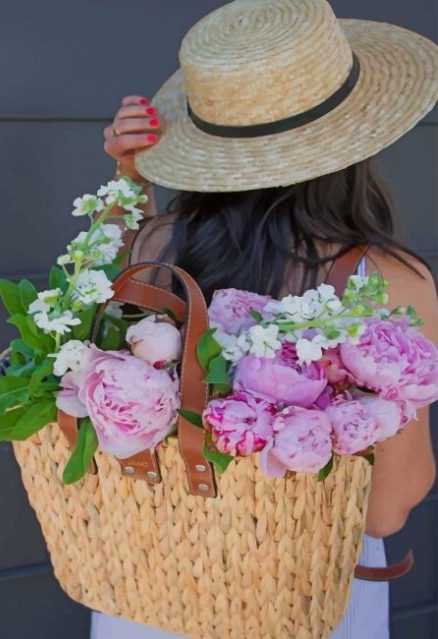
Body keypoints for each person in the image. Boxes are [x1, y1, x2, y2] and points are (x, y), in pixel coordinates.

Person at [90, 1, 438, 637]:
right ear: (356, 137)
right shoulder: (385, 280)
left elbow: (93, 311)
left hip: (159, 581)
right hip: (304, 592)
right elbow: (386, 511)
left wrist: (128, 181)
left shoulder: (156, 250)